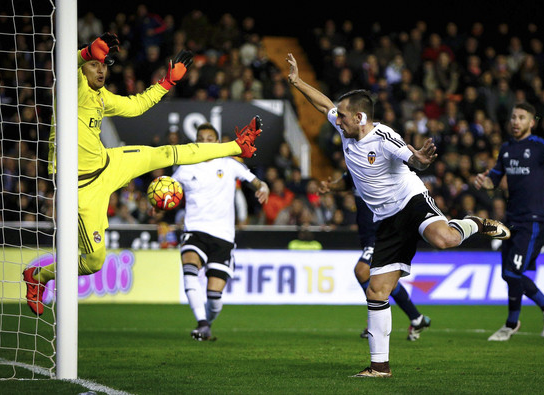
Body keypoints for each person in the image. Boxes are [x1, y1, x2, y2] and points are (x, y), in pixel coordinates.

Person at [286, 52, 510, 378]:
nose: (338, 121)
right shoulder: (343, 122)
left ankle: (474, 222)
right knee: (377, 291)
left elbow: (413, 159)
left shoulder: (384, 137)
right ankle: (380, 368)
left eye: (344, 118)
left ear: (360, 117)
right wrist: (297, 82)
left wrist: (420, 158)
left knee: (445, 239)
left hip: (411, 201)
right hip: (386, 220)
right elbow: (324, 105)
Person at [22, 32, 263, 316]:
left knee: (164, 153)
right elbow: (65, 63)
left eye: (105, 65)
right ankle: (39, 277)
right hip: (81, 189)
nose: (101, 70)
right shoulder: (71, 89)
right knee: (94, 262)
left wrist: (167, 82)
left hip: (108, 164)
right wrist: (86, 52)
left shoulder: (101, 97)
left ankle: (237, 145)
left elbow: (136, 106)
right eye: (94, 65)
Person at [473, 102, 544, 341]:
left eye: (521, 117)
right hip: (510, 221)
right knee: (508, 275)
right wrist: (482, 180)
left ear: (531, 122)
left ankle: (527, 316)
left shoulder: (539, 146)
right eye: (513, 117)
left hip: (532, 221)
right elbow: (493, 179)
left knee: (513, 273)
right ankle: (535, 314)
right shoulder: (505, 149)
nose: (516, 121)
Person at [172, 123, 269, 341]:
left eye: (209, 138)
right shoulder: (185, 167)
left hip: (223, 236)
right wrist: (156, 201)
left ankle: (207, 322)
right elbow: (167, 189)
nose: (204, 142)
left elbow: (255, 182)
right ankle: (202, 323)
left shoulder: (229, 164)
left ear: (217, 142)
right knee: (189, 271)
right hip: (195, 230)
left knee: (214, 298)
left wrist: (263, 188)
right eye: (200, 138)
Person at [319, 171, 431, 341]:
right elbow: (346, 181)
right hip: (368, 236)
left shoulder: (382, 166)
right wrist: (331, 186)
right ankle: (417, 318)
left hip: (382, 235)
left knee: (361, 271)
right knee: (387, 283)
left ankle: (376, 321)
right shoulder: (356, 166)